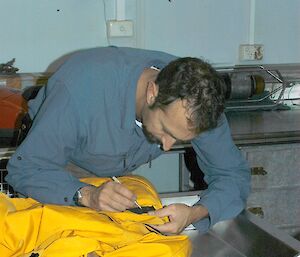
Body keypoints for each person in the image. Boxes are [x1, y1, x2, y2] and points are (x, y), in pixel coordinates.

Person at [6, 46, 250, 234]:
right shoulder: (80, 91)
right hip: (58, 163)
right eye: (165, 130)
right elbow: (27, 169)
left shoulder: (199, 102)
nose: (166, 146)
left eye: (178, 138)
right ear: (152, 93)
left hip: (113, 166)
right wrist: (87, 195)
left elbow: (233, 176)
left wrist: (196, 213)